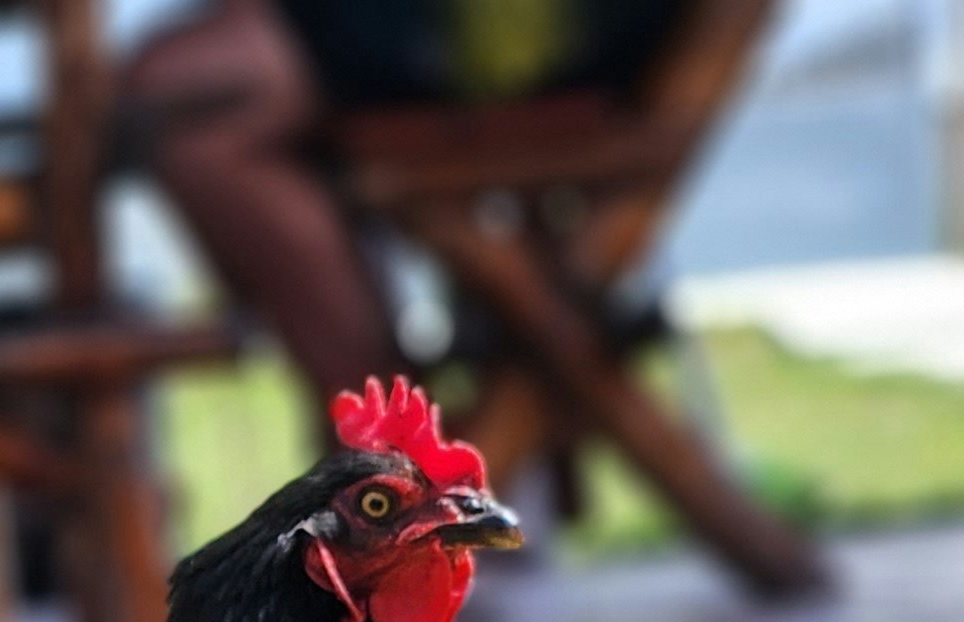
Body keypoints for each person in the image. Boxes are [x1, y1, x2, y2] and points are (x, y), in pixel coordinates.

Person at [130, 0, 681, 414]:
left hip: (522, 34)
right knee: (190, 108)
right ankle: (378, 429)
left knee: (185, 105)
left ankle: (376, 430)